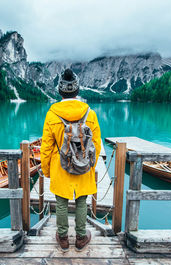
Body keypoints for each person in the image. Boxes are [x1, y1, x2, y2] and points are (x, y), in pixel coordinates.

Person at [40, 68, 101, 252]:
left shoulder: (52, 114)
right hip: (83, 166)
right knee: (82, 200)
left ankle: (63, 239)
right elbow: (96, 146)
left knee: (61, 202)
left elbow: (46, 148)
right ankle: (81, 238)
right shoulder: (90, 114)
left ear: (60, 91)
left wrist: (48, 170)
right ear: (77, 90)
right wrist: (89, 165)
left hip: (61, 166)